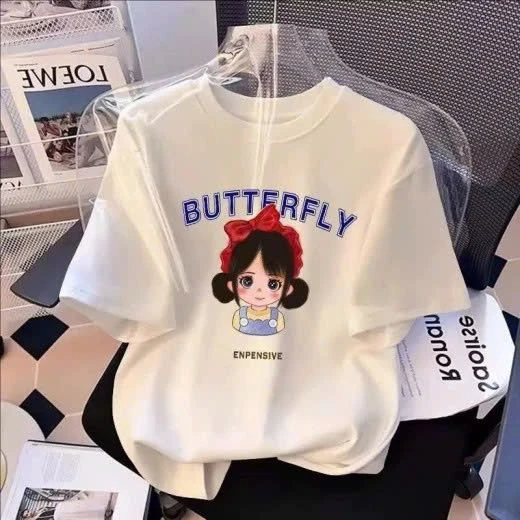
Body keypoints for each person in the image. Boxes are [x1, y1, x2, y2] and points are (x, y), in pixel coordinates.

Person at [212, 204, 309, 336]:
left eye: (273, 284)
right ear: (230, 284)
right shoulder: (238, 317)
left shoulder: (279, 320)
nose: (259, 291)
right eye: (247, 281)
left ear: (288, 289)